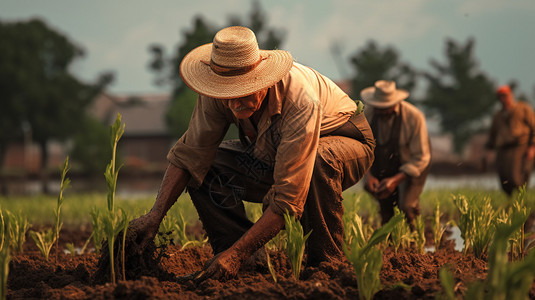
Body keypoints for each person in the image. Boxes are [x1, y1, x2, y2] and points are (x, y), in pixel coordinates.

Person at [129, 26, 375, 281]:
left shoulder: (300, 99)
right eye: (228, 94)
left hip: (344, 140)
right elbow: (189, 156)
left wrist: (237, 254)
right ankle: (241, 261)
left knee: (318, 161)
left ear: (263, 79)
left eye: (243, 91)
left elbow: (289, 200)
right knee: (205, 168)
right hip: (274, 147)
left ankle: (326, 266)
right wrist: (155, 215)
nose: (234, 103)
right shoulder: (216, 90)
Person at [361, 80, 430, 226]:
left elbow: (421, 157)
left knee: (407, 207)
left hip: (412, 167)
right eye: (377, 107)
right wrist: (368, 175)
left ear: (394, 103)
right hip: (381, 167)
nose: (380, 110)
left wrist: (396, 180)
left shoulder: (414, 117)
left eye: (384, 107)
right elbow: (360, 150)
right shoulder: (366, 115)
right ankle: (391, 244)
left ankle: (415, 241)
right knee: (386, 211)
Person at [484, 85, 535, 195]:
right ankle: (510, 202)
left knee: (515, 176)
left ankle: (521, 200)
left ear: (511, 95)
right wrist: (488, 150)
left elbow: (533, 127)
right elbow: (493, 136)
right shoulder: (498, 115)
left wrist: (532, 147)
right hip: (502, 149)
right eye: (500, 97)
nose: (503, 99)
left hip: (520, 146)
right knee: (504, 178)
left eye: (505, 96)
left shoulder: (523, 109)